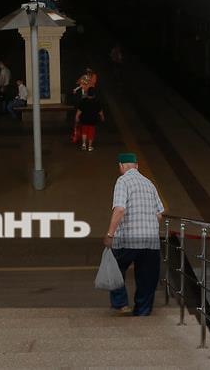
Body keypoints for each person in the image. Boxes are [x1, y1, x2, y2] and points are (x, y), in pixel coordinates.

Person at [104, 152, 164, 316]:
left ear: (121, 166)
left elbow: (120, 209)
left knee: (113, 266)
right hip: (151, 241)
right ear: (137, 166)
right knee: (147, 277)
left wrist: (110, 234)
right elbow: (159, 215)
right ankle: (142, 311)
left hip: (129, 238)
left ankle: (121, 304)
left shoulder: (123, 181)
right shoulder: (149, 183)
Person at [76, 87, 104, 152]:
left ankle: (83, 145)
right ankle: (90, 146)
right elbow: (100, 112)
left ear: (87, 93)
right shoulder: (97, 101)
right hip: (93, 120)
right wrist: (102, 117)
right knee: (91, 133)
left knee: (84, 132)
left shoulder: (83, 101)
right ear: (94, 94)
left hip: (84, 119)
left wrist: (77, 117)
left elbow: (79, 111)